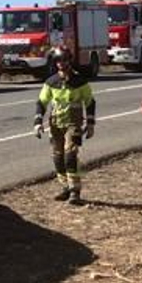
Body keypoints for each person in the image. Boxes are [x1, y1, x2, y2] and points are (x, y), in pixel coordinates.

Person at [34, 48, 96, 205]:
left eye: (64, 60)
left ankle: (75, 190)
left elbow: (90, 102)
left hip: (73, 123)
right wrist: (37, 122)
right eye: (58, 61)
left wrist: (90, 124)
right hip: (55, 124)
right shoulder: (51, 82)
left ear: (70, 61)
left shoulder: (80, 81)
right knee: (58, 157)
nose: (61, 64)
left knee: (70, 156)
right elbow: (41, 102)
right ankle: (65, 187)